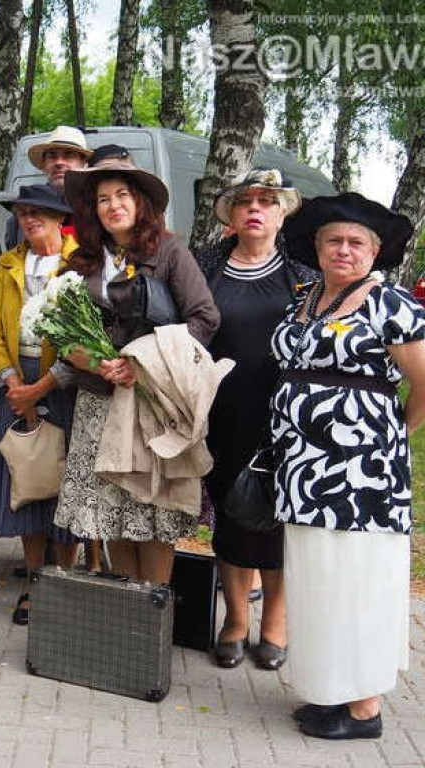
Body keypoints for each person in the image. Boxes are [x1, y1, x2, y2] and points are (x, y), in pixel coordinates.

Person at [271, 193, 425, 740]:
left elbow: (423, 383)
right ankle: (331, 691)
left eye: (355, 242)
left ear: (374, 252)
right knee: (319, 581)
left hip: (363, 475)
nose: (343, 249)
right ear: (316, 247)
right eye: (332, 240)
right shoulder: (306, 297)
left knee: (358, 583)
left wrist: (393, 436)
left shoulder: (391, 303)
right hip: (303, 468)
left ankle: (365, 709)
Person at [54, 146, 219, 585]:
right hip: (99, 404)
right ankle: (128, 612)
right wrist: (92, 359)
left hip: (151, 405)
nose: (113, 206)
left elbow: (204, 318)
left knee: (152, 510)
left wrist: (142, 363)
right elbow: (60, 329)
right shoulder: (80, 262)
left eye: (122, 194)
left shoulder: (169, 252)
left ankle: (155, 608)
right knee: (113, 513)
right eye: (103, 198)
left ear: (140, 201)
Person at [194, 169, 316, 671]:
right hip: (222, 412)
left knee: (279, 521)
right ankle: (235, 621)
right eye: (246, 201)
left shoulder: (305, 275)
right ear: (231, 214)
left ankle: (276, 625)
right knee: (231, 515)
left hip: (286, 417)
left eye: (267, 201)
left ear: (282, 212)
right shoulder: (206, 267)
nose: (255, 209)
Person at [0, 184, 83, 625]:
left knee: (61, 482)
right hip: (14, 382)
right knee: (26, 482)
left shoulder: (79, 263)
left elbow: (84, 333)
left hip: (62, 383)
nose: (29, 218)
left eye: (39, 211)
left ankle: (63, 578)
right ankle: (35, 582)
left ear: (60, 217)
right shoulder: (7, 264)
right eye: (23, 212)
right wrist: (11, 381)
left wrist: (41, 387)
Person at [4, 125, 91, 249]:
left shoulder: (98, 209)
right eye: (52, 156)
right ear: (43, 166)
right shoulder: (21, 217)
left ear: (84, 164)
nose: (59, 162)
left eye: (68, 155)